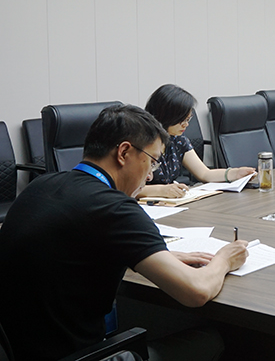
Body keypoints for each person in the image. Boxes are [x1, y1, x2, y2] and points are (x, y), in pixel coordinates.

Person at [0, 105, 248, 361]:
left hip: (23, 350)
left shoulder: (40, 186)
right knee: (214, 338)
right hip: (84, 355)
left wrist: (155, 255)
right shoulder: (115, 208)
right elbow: (196, 291)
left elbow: (71, 252)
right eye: (152, 161)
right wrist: (224, 259)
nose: (150, 176)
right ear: (124, 152)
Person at [141, 84, 255, 198]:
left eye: (188, 119)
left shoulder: (178, 141)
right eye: (181, 120)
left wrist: (235, 173)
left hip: (169, 203)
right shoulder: (140, 143)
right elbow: (130, 188)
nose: (186, 124)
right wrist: (161, 190)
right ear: (166, 116)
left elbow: (205, 174)